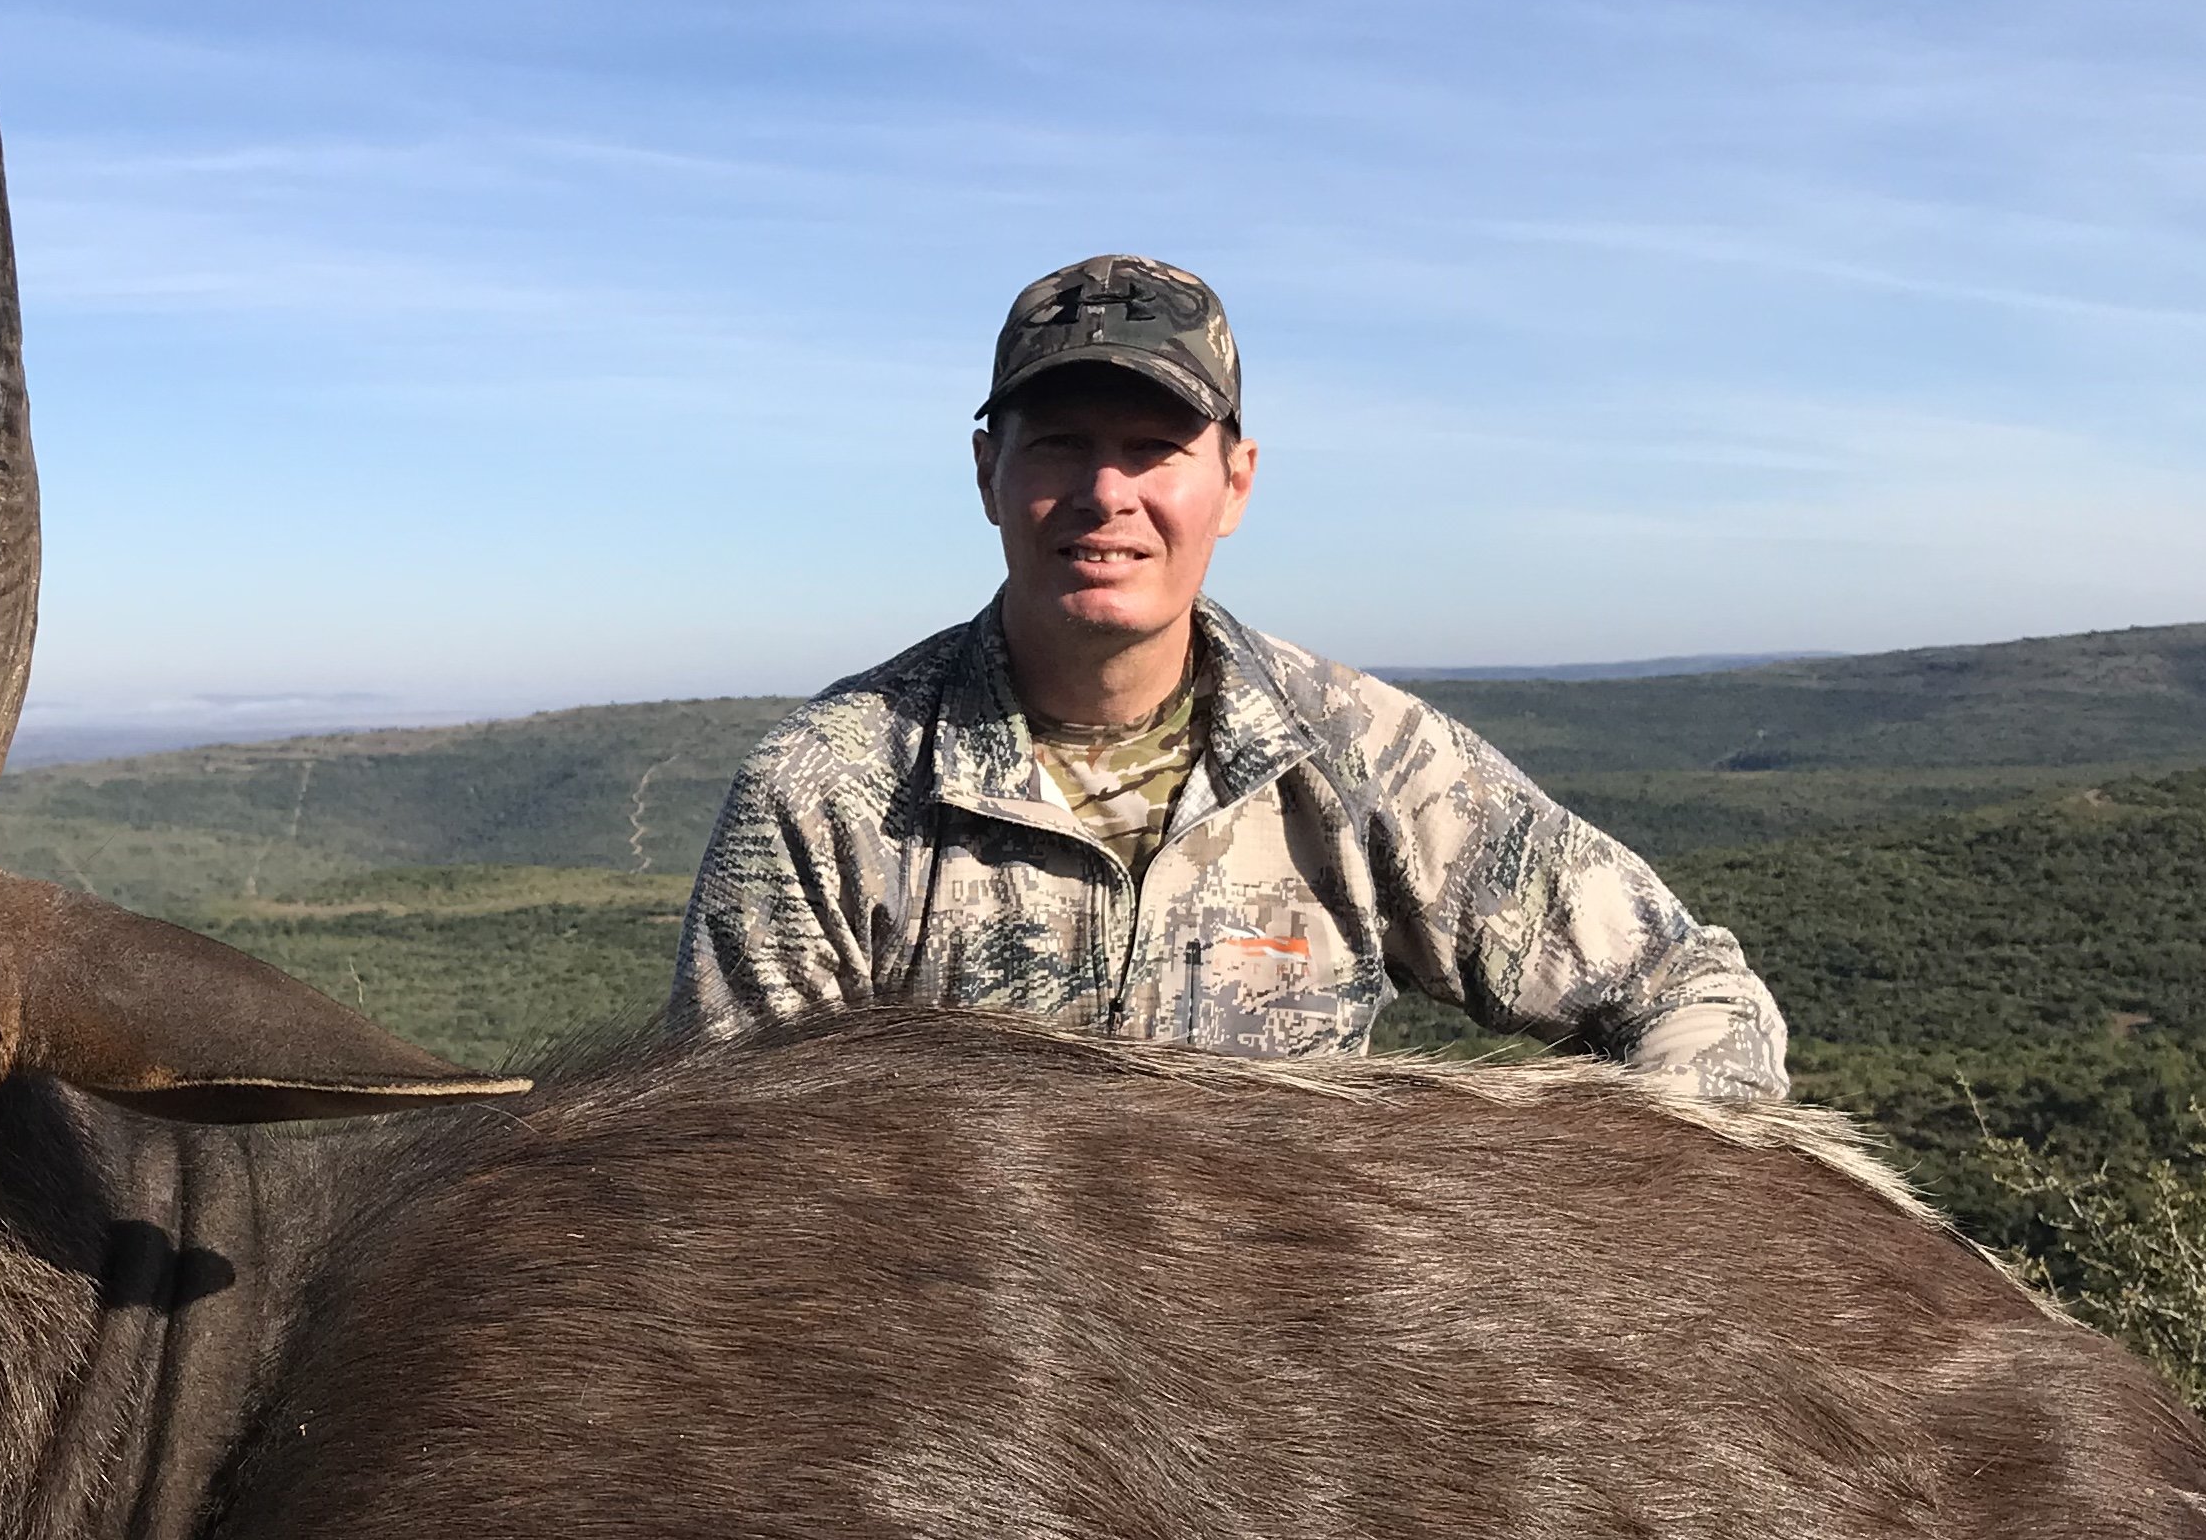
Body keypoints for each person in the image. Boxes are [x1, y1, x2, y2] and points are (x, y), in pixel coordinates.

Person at [671, 254, 1790, 1104]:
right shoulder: (826, 792)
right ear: (989, 474)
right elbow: (741, 1182)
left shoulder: (1365, 760)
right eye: (1060, 443)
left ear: (1235, 484)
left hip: (1290, 1390)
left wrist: (1614, 1244)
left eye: (1156, 449)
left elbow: (1694, 988)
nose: (1108, 493)